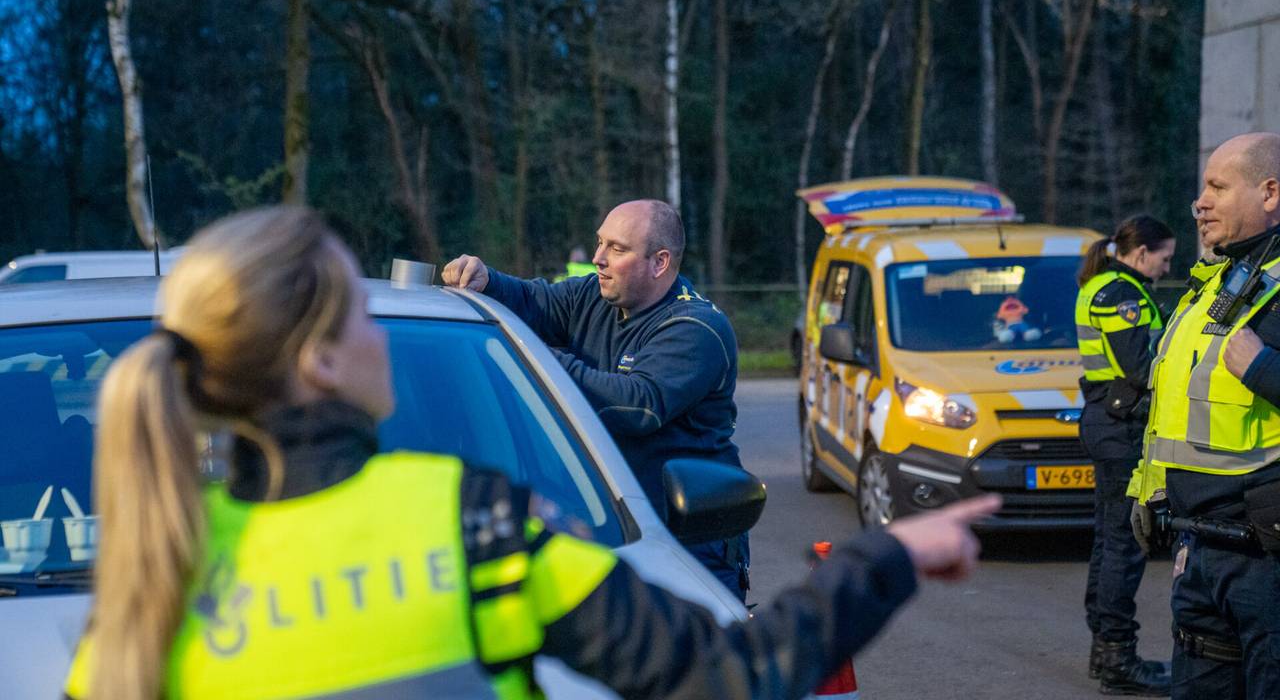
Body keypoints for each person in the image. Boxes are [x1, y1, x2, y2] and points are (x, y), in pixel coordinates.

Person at [63, 205, 1001, 700]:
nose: (387, 334)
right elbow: (728, 677)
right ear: (320, 360)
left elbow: (623, 393)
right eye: (363, 313)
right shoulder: (468, 523)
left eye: (614, 249)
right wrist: (883, 560)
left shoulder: (142, 597)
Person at [442, 199, 752, 599]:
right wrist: (486, 281)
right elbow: (530, 301)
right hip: (609, 526)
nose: (597, 259)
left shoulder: (697, 328)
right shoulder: (592, 295)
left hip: (687, 545)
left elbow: (639, 406)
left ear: (659, 263)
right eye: (599, 243)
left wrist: (532, 357)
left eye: (616, 249)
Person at [1129, 132, 1280, 699]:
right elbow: (1169, 411)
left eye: (1218, 186)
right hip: (1201, 548)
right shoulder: (1215, 281)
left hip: (1266, 559)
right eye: (1202, 187)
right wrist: (1147, 493)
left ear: (1269, 192)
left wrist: (1263, 369)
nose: (1201, 201)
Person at [1075, 214, 1176, 696]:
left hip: (1106, 420)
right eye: (1165, 258)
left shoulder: (1105, 284)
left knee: (1108, 540)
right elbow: (1141, 365)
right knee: (1125, 544)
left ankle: (1106, 650)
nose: (1165, 267)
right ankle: (1118, 658)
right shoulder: (1121, 293)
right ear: (1141, 254)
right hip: (1122, 428)